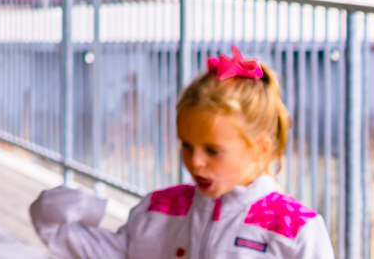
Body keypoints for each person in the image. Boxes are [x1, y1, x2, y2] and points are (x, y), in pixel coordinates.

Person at [30, 48, 334, 259]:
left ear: (261, 148)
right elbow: (54, 225)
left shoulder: (296, 229)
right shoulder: (158, 209)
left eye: (213, 151)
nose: (195, 161)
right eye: (185, 145)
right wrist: (84, 204)